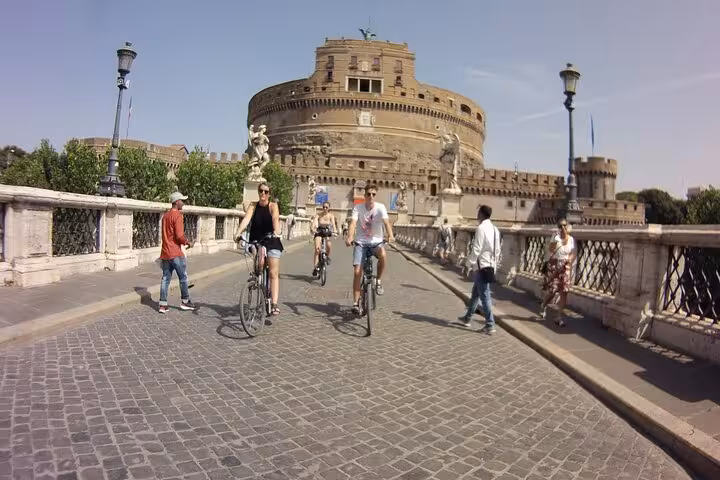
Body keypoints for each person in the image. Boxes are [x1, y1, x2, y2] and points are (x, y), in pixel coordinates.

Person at [233, 182, 284, 315]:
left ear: (269, 194)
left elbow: (275, 219)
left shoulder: (273, 206)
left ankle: (274, 304)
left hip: (272, 240)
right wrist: (238, 232)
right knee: (259, 262)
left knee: (273, 272)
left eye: (266, 191)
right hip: (257, 240)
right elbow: (246, 219)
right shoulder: (253, 206)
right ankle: (258, 278)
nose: (263, 193)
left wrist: (277, 232)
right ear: (258, 191)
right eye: (261, 191)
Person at [345, 184, 395, 314]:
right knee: (357, 273)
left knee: (383, 254)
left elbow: (386, 223)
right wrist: (350, 237)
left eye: (373, 194)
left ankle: (378, 280)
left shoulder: (381, 208)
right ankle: (356, 303)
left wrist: (390, 235)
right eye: (368, 194)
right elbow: (353, 224)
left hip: (376, 243)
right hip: (361, 243)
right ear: (365, 195)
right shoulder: (358, 208)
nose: (371, 196)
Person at [458, 205, 500, 334]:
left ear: (481, 214)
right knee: (476, 292)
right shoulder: (495, 229)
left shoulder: (481, 228)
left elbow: (477, 248)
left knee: (485, 296)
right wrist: (494, 265)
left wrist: (468, 264)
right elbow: (498, 250)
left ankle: (489, 324)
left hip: (481, 266)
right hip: (489, 265)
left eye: (478, 213)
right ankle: (467, 317)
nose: (477, 215)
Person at [158, 192, 197, 314]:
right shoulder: (178, 216)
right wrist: (188, 242)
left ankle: (163, 305)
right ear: (176, 202)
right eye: (182, 201)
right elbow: (179, 236)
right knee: (183, 278)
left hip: (165, 252)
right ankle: (185, 301)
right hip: (175, 253)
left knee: (165, 278)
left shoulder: (165, 216)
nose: (183, 203)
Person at [540, 219, 577, 327]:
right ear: (558, 227)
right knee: (552, 291)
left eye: (565, 225)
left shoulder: (571, 239)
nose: (563, 228)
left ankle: (558, 317)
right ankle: (543, 305)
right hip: (555, 266)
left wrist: (569, 259)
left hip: (565, 267)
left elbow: (573, 253)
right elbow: (551, 250)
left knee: (564, 292)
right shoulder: (554, 237)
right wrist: (555, 239)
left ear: (567, 226)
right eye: (560, 226)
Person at [311, 201, 338, 276]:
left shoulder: (331, 216)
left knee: (329, 245)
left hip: (327, 231)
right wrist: (313, 228)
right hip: (319, 231)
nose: (325, 208)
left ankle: (326, 256)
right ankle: (315, 268)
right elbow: (313, 223)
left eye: (326, 207)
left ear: (329, 208)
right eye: (324, 207)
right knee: (317, 249)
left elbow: (333, 225)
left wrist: (335, 231)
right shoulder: (318, 215)